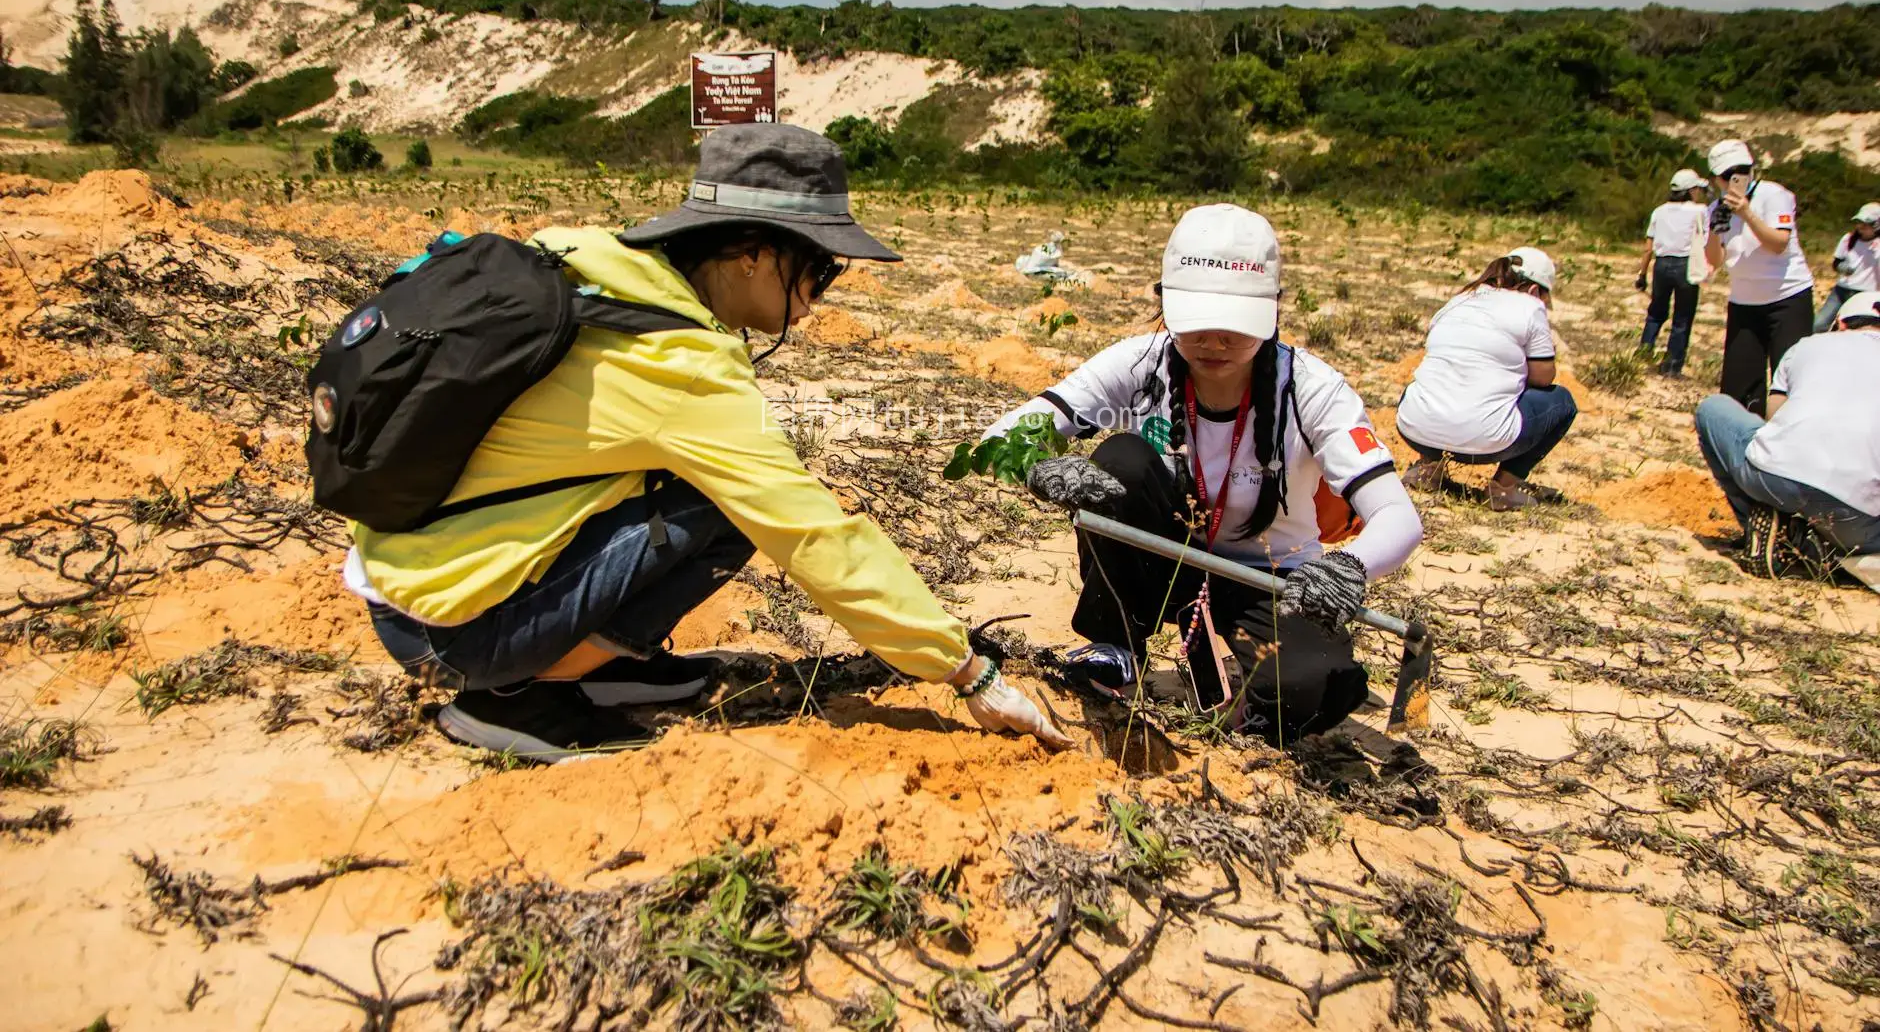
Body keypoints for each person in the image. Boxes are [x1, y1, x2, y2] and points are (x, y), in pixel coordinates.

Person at [346, 123, 1070, 761]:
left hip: (412, 576)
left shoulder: (597, 267)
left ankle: (591, 665)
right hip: (452, 627)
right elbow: (816, 533)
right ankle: (508, 696)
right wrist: (965, 668)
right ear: (752, 253)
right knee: (724, 508)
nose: (821, 292)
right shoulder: (682, 364)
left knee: (694, 489)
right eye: (819, 267)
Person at [981, 204, 1424, 743]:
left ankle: (1249, 700)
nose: (1215, 341)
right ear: (1164, 302)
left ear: (1274, 309)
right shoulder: (1140, 363)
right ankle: (1115, 643)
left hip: (1272, 581)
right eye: (1197, 322)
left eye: (1236, 325)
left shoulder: (1312, 389)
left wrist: (1350, 568)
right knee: (1122, 460)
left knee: (1317, 687)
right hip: (1164, 562)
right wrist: (1037, 464)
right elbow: (1006, 434)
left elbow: (1398, 517)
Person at [1694, 290, 1880, 571]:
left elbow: (1774, 418)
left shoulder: (1809, 345)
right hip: (1858, 513)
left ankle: (1771, 530)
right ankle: (1825, 553)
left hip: (1775, 477)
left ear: (1840, 324)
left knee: (1713, 408)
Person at [1395, 248, 1576, 510]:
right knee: (1562, 401)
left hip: (1414, 429)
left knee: (1426, 383)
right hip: (1486, 442)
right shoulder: (1530, 306)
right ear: (1535, 291)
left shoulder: (1459, 300)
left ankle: (1428, 469)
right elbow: (1542, 379)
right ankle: (1504, 489)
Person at [1702, 139, 1814, 415]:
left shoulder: (1774, 195)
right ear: (1717, 179)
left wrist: (1747, 213)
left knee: (1788, 378)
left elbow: (1778, 244)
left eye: (1740, 172)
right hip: (1744, 301)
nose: (1734, 180)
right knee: (1739, 385)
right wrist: (1716, 229)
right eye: (1728, 176)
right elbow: (1714, 261)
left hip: (1787, 298)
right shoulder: (1716, 208)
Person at [1635, 168, 1711, 377]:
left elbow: (1648, 247)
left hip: (1661, 265)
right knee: (1683, 317)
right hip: (1685, 265)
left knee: (1656, 312)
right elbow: (1706, 240)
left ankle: (1643, 355)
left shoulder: (1659, 211)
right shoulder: (1700, 211)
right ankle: (1672, 366)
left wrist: (1642, 274)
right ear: (1690, 190)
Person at [1815, 201, 1880, 333]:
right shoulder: (1848, 239)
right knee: (1820, 325)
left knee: (1857, 329)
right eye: (1859, 223)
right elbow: (1836, 262)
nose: (1860, 227)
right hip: (1842, 290)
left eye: (1865, 224)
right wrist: (1842, 267)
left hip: (1865, 293)